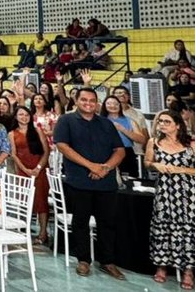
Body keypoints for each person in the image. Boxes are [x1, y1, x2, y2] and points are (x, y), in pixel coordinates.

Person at [53, 87, 126, 279]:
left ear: (97, 103)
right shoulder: (66, 120)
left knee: (108, 223)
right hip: (79, 181)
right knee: (81, 222)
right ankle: (83, 260)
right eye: (84, 100)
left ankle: (107, 261)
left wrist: (105, 168)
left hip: (106, 182)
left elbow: (119, 150)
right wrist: (91, 166)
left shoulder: (106, 124)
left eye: (92, 100)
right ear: (76, 101)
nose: (88, 103)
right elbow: (62, 146)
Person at [145, 109, 195, 289]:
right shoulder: (154, 142)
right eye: (160, 122)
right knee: (162, 226)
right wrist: (155, 164)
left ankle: (188, 270)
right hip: (165, 191)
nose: (163, 125)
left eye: (167, 122)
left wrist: (181, 170)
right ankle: (162, 266)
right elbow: (147, 162)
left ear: (178, 125)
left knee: (188, 229)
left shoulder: (191, 144)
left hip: (188, 193)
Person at [9, 105, 50, 245]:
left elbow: (46, 151)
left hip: (39, 170)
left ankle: (43, 233)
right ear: (16, 117)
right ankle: (24, 232)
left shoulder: (37, 130)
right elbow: (13, 155)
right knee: (25, 202)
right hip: (23, 170)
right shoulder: (12, 133)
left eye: (26, 115)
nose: (24, 117)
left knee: (41, 202)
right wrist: (25, 170)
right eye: (21, 115)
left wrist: (38, 168)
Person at [102, 94, 145, 176]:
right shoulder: (100, 120)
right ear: (104, 105)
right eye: (109, 103)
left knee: (130, 179)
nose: (112, 106)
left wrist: (123, 129)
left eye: (115, 103)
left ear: (120, 105)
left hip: (127, 152)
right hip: (106, 152)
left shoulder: (129, 120)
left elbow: (142, 139)